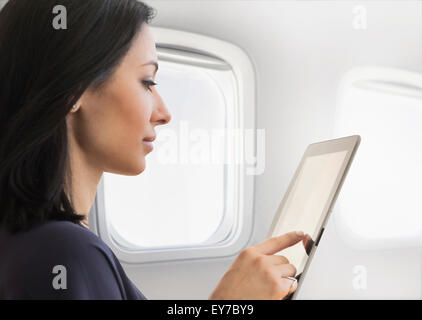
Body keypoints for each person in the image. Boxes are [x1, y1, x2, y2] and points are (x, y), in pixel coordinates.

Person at [0, 0, 308, 300]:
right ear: (73, 91)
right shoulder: (66, 251)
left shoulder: (32, 240)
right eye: (147, 81)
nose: (164, 113)